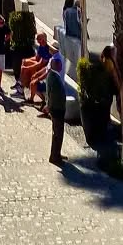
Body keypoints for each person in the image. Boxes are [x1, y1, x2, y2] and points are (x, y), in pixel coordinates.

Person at [45, 37, 68, 166]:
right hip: (56, 106)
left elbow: (52, 93)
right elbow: (50, 93)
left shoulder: (55, 76)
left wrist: (49, 105)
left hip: (58, 105)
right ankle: (55, 155)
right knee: (57, 131)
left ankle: (56, 154)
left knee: (58, 131)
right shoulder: (53, 77)